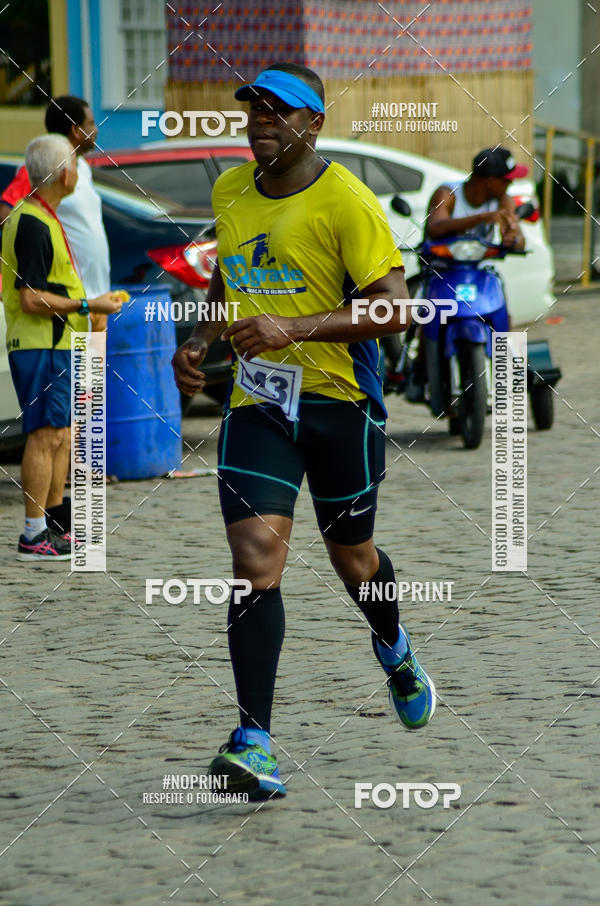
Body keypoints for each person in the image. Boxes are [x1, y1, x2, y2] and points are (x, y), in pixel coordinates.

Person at [172, 63, 436, 801]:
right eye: (252, 108)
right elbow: (231, 280)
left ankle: (393, 644)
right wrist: (198, 341)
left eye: (277, 111)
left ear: (313, 122)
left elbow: (395, 310)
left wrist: (292, 327)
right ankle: (254, 740)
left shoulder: (346, 201)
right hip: (259, 407)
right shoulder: (230, 191)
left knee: (354, 561)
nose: (259, 120)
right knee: (256, 557)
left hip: (338, 404)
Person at [1, 134, 122, 561]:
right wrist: (90, 304)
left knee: (63, 434)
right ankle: (33, 535)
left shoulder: (46, 216)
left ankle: (54, 525)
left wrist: (91, 311)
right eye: (73, 163)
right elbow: (29, 298)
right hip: (40, 344)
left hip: (57, 342)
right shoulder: (32, 220)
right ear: (65, 173)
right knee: (45, 435)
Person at [400, 146, 528, 400]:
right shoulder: (449, 194)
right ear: (491, 181)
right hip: (443, 271)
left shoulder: (503, 200)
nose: (509, 185)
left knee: (501, 308)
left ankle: (511, 365)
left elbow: (518, 239)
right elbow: (436, 227)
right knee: (429, 316)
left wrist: (513, 236)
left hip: (477, 271)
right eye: (506, 180)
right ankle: (420, 367)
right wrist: (483, 218)